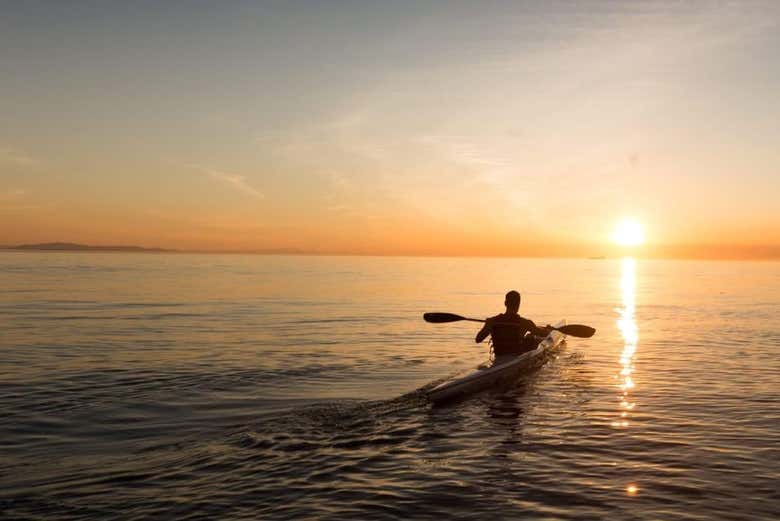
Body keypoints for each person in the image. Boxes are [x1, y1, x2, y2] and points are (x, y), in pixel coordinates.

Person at [475, 290, 551, 356]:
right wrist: (548, 329)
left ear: (505, 303)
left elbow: (478, 339)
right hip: (516, 355)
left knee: (529, 336)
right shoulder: (525, 323)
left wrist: (487, 325)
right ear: (518, 305)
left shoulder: (492, 321)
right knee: (532, 338)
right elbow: (545, 334)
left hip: (499, 355)